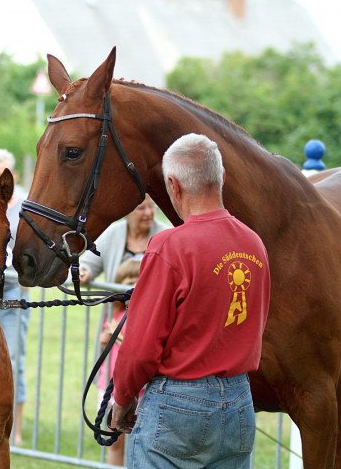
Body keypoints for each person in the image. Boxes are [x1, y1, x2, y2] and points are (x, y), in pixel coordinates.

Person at [109, 133, 271, 468]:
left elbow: (140, 347)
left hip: (179, 401)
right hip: (239, 398)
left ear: (173, 184)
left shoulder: (170, 246)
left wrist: (123, 398)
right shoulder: (253, 244)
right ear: (220, 178)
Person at [0, 148, 30, 445]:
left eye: (1, 175)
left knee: (12, 358)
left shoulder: (26, 205)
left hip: (12, 290)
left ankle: (16, 431)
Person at [97, 256, 141, 466]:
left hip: (137, 392)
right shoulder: (115, 314)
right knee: (115, 441)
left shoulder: (144, 317)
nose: (132, 284)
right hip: (111, 386)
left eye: (137, 278)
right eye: (127, 279)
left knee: (138, 444)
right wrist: (105, 341)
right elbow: (106, 346)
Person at [78, 194, 168, 285]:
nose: (148, 213)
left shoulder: (166, 236)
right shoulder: (111, 233)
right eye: (141, 208)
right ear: (125, 211)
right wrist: (83, 273)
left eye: (151, 206)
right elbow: (87, 265)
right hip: (117, 299)